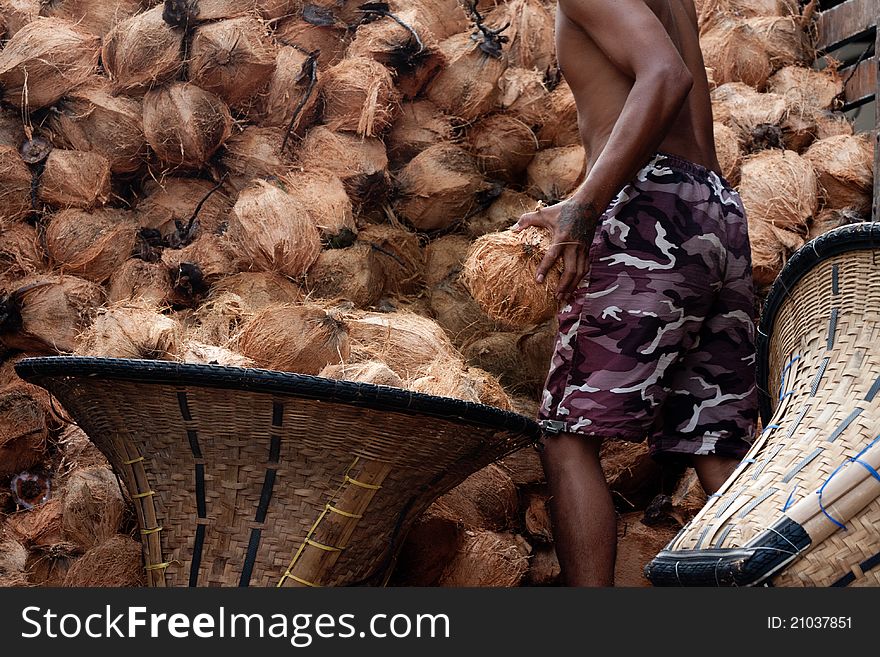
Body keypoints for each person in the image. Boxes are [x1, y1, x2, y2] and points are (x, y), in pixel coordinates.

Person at [512, 0, 757, 586]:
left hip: (650, 211)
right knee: (715, 439)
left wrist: (584, 206)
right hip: (714, 208)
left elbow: (666, 76)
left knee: (569, 436)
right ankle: (790, 602)